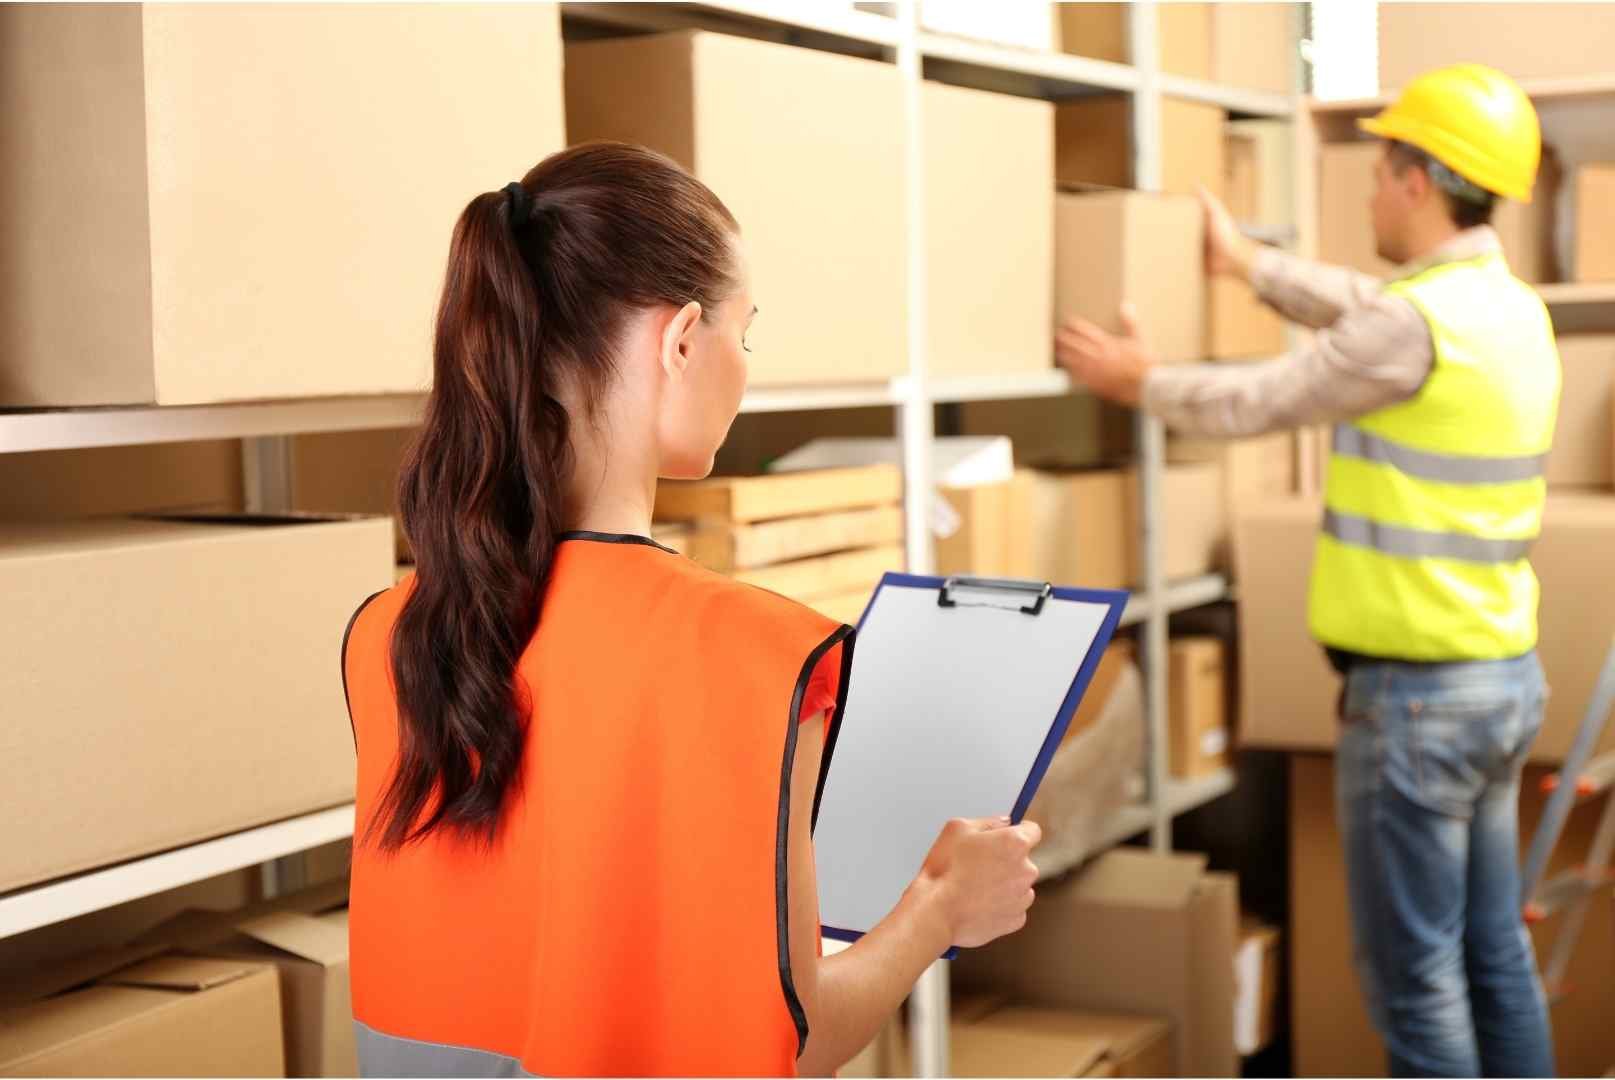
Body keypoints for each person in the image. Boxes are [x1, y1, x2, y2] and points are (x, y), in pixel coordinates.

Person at [339, 141, 1040, 1078]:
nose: (744, 367)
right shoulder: (755, 655)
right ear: (680, 340)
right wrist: (940, 909)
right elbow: (799, 1039)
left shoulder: (388, 632)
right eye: (743, 334)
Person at [1056, 65, 1560, 1078]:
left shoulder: (1414, 324)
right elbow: (1364, 304)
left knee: (1416, 978)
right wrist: (1249, 265)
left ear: (1418, 179)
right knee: (1492, 952)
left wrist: (1137, 381)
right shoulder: (1502, 310)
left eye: (1380, 169)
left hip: (1417, 702)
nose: (1370, 189)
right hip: (1502, 681)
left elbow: (1263, 399)